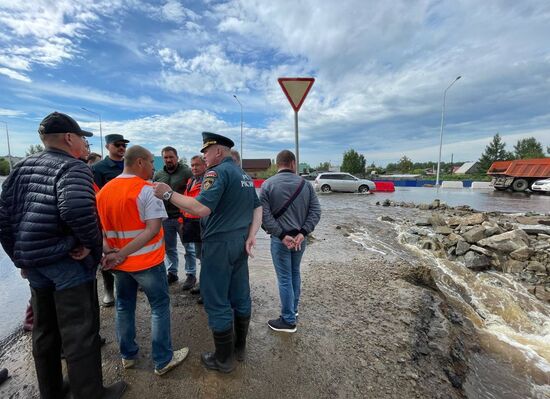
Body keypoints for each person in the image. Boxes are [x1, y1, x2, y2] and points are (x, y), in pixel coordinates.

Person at [0, 112, 126, 398]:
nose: (84, 143)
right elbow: (77, 210)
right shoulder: (74, 167)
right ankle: (90, 393)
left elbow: (3, 218)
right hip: (67, 262)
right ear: (70, 138)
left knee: (44, 330)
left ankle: (52, 390)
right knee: (80, 331)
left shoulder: (20, 168)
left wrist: (20, 257)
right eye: (83, 137)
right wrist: (91, 246)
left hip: (36, 265)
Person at [153, 132, 262, 373]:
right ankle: (239, 348)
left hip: (219, 245)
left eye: (206, 151)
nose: (203, 155)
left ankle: (223, 359)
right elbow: (258, 207)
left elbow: (201, 208)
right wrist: (252, 235)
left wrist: (168, 194)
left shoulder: (217, 172)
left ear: (218, 152)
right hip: (240, 242)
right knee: (241, 295)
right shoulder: (243, 175)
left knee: (216, 300)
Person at [96, 145, 189, 376]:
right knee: (159, 307)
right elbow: (151, 230)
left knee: (124, 306)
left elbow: (98, 231)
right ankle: (163, 359)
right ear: (139, 162)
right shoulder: (148, 190)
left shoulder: (104, 191)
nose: (153, 167)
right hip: (147, 262)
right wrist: (121, 254)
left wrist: (111, 254)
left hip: (119, 266)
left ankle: (127, 355)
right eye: (150, 162)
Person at [260, 150, 321, 333]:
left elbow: (264, 215)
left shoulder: (267, 185)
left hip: (280, 241)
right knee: (294, 273)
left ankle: (288, 321)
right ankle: (292, 311)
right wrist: (303, 233)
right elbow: (315, 211)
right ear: (293, 163)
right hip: (300, 240)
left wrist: (280, 235)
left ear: (277, 164)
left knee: (285, 278)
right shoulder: (306, 185)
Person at [92, 133, 130, 307]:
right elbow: (96, 196)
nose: (122, 148)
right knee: (109, 252)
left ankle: (133, 283)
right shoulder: (98, 168)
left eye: (124, 145)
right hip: (108, 218)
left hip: (129, 216)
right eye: (117, 145)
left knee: (131, 250)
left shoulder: (129, 165)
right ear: (108, 146)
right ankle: (109, 289)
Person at [152, 147, 194, 287]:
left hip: (183, 217)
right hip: (166, 218)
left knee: (189, 248)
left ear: (177, 157)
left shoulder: (187, 172)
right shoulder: (158, 175)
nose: (169, 160)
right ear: (163, 158)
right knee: (169, 248)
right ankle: (173, 273)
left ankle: (191, 274)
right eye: (166, 157)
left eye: (171, 157)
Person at [182, 155, 207, 303]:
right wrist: (181, 219)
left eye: (197, 165)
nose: (194, 168)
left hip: (202, 224)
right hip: (190, 223)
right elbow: (186, 201)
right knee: (200, 256)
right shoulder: (191, 181)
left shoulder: (207, 182)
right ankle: (203, 284)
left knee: (206, 258)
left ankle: (207, 289)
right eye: (192, 165)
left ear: (205, 166)